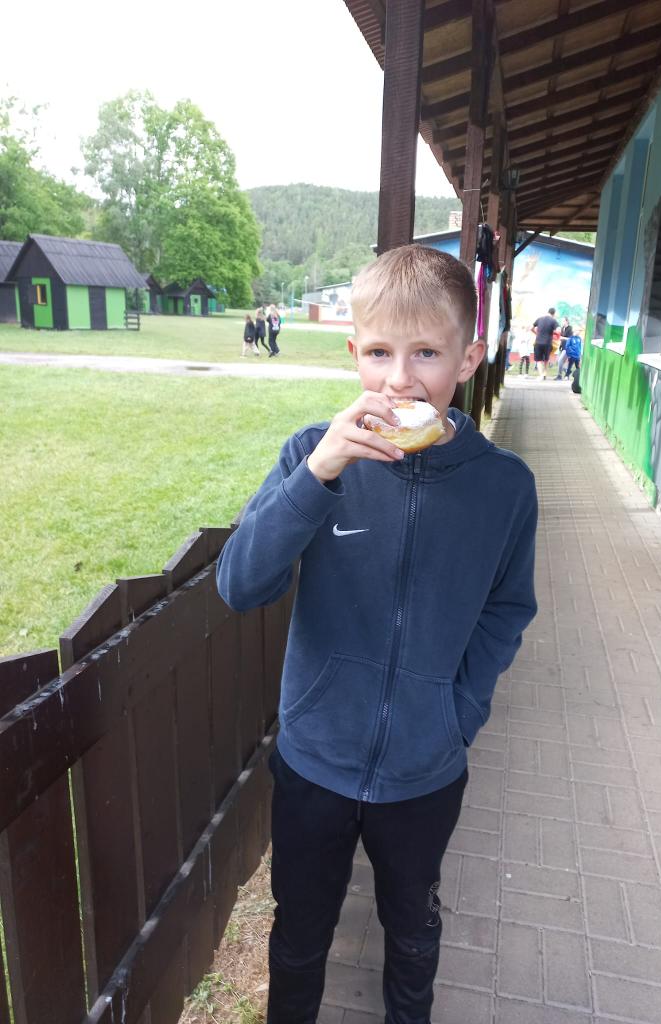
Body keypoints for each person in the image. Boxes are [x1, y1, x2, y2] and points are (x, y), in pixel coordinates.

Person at [216, 244, 538, 1024]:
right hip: (314, 762)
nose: (400, 379)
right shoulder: (312, 455)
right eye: (380, 353)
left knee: (413, 932)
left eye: (426, 353)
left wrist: (458, 714)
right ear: (353, 353)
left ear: (467, 360)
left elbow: (507, 609)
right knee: (299, 936)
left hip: (425, 773)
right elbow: (240, 585)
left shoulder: (504, 487)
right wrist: (317, 476)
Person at [532, 306, 559, 381]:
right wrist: (553, 334)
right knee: (546, 359)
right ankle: (544, 374)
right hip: (548, 343)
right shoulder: (553, 321)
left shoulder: (539, 319)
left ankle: (541, 375)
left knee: (539, 360)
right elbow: (558, 330)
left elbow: (531, 328)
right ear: (553, 314)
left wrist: (536, 333)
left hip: (538, 342)